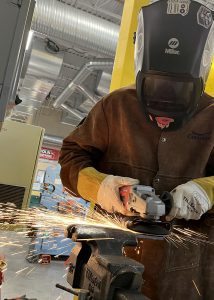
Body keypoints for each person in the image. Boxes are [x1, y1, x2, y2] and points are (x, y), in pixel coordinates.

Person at [59, 0, 214, 299]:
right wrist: (100, 186)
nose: (166, 102)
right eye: (155, 85)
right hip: (111, 266)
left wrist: (203, 192)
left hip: (186, 278)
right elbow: (70, 158)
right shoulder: (114, 107)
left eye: (179, 89)